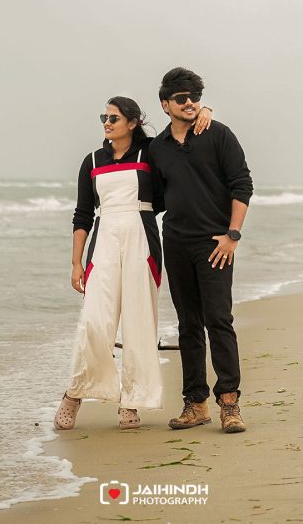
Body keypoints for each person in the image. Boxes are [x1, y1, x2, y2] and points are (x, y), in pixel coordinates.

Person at [54, 95, 212, 430]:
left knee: (140, 324)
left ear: (133, 122)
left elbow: (181, 136)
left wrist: (204, 110)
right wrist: (76, 263)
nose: (107, 123)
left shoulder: (151, 153)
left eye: (113, 118)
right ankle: (75, 392)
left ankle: (132, 400)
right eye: (104, 118)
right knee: (94, 323)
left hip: (142, 239)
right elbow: (82, 215)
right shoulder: (92, 160)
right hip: (103, 242)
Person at [148, 67, 253, 434]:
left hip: (215, 244)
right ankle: (196, 404)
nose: (190, 102)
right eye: (181, 98)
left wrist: (232, 235)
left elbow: (242, 185)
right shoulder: (157, 147)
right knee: (188, 325)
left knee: (219, 320)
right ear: (165, 105)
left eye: (195, 97)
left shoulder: (218, 134)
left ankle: (230, 403)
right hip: (176, 242)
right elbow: (154, 198)